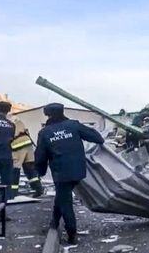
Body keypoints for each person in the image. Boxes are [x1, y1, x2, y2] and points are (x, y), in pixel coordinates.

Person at [35, 103, 104, 245]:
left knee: (65, 201)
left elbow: (40, 156)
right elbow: (98, 138)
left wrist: (40, 172)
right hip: (78, 170)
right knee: (62, 197)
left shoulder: (45, 132)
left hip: (61, 172)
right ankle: (54, 223)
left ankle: (72, 233)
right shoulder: (73, 125)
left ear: (47, 115)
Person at [10, 116, 44, 198]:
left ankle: (13, 192)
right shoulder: (14, 118)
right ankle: (38, 188)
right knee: (29, 168)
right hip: (27, 142)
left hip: (16, 144)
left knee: (15, 168)